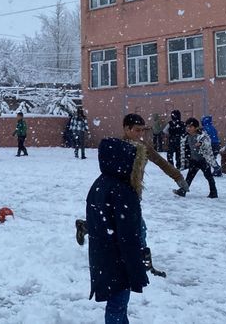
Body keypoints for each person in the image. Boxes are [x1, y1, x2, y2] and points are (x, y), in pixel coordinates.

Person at [76, 114, 189, 278]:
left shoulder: (143, 147)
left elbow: (161, 162)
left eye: (142, 130)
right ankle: (143, 262)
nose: (140, 134)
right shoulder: (118, 147)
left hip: (132, 196)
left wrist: (177, 177)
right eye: (137, 130)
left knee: (115, 225)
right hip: (117, 196)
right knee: (138, 228)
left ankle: (85, 227)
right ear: (126, 128)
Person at [85, 137, 150, 324]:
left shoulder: (100, 184)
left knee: (118, 304)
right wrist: (136, 265)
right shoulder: (122, 191)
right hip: (118, 259)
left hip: (103, 257)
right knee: (117, 304)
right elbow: (129, 235)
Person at [174, 118, 218, 198]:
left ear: (196, 127)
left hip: (203, 160)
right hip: (194, 160)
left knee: (208, 176)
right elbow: (184, 147)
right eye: (187, 127)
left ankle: (213, 192)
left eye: (190, 127)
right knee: (189, 177)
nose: (188, 128)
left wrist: (201, 143)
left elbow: (207, 142)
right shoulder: (186, 136)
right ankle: (183, 191)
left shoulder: (202, 136)